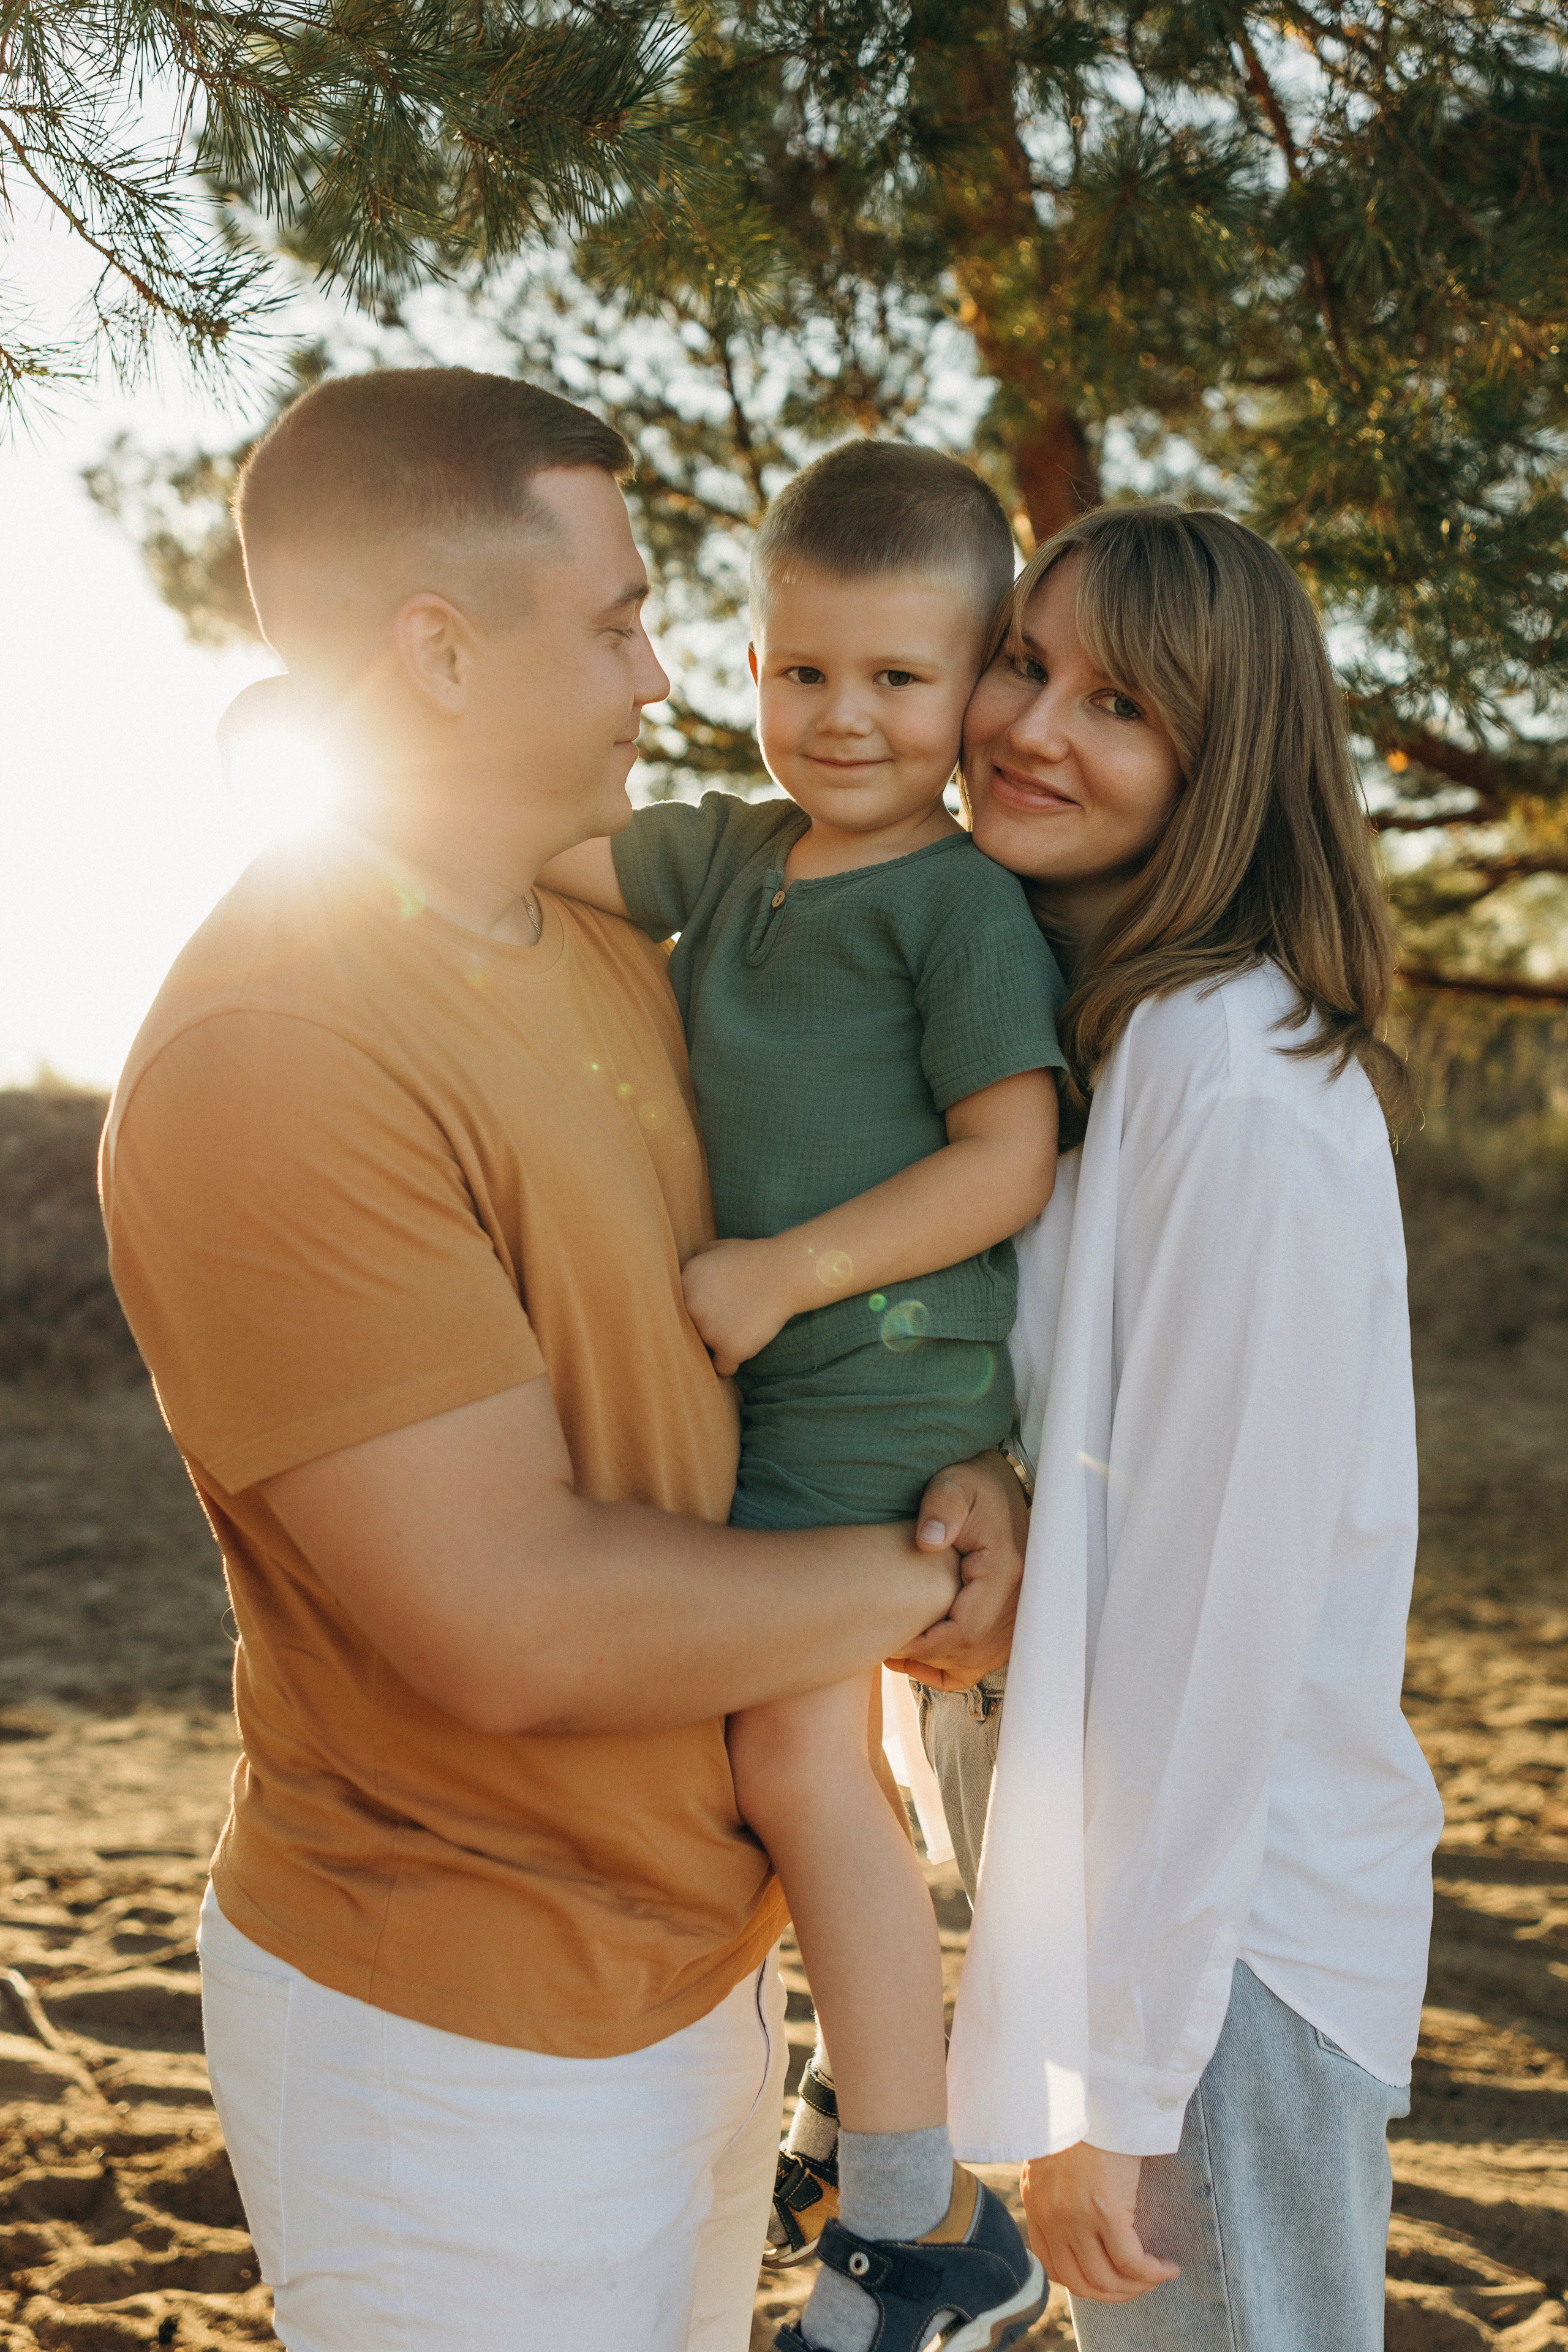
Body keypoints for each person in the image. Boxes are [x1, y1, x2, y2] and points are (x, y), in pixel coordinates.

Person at [98, 367, 1028, 2352]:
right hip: (461, 2034)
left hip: (705, 1962)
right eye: (615, 624)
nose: (661, 676)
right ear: (440, 652)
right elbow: (512, 1619)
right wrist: (935, 1581)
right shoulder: (275, 1052)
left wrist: (979, 1477)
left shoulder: (616, 944)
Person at [538, 439, 1061, 2352]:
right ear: (750, 663)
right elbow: (531, 844)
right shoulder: (737, 853)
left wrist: (784, 1272)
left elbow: (1008, 1160)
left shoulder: (958, 906)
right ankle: (863, 2086)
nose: (845, 719)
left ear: (976, 687)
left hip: (879, 1372)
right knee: (804, 1765)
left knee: (791, 1763)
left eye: (900, 679)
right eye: (805, 671)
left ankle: (921, 2220)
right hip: (774, 1386)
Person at [917, 502, 1444, 2351]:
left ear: (1225, 767)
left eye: (1120, 705)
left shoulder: (1237, 1077)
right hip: (1114, 1894)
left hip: (1219, 1945)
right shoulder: (1095, 1041)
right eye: (1025, 663)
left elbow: (1218, 1609)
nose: (1031, 727)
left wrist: (1120, 2081)